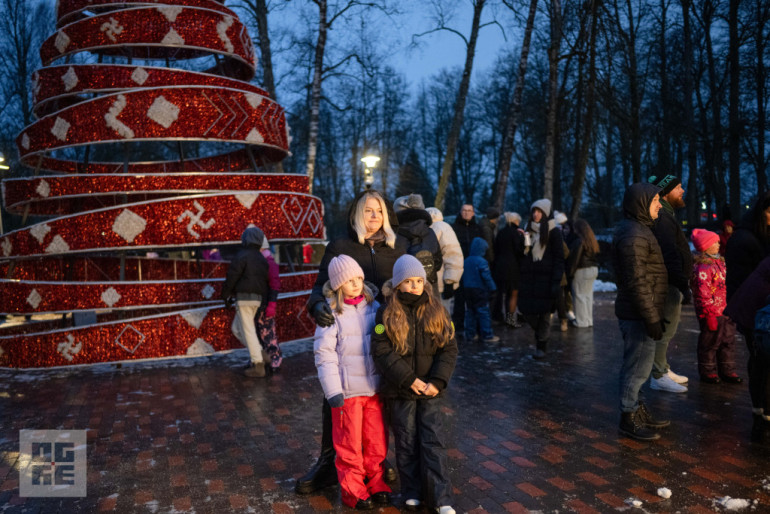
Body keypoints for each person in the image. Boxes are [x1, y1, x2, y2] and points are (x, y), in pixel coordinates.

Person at [297, 189, 406, 495]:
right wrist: (317, 305)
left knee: (381, 410)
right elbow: (320, 287)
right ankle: (330, 463)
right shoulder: (341, 246)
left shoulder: (398, 249)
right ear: (357, 214)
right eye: (368, 210)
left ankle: (380, 465)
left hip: (388, 342)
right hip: (346, 346)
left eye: (379, 211)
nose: (374, 216)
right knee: (338, 405)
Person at [372, 255, 458, 514]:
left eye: (419, 281)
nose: (414, 286)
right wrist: (408, 379)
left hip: (431, 392)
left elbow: (449, 348)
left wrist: (437, 381)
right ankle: (412, 491)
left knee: (433, 441)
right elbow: (381, 350)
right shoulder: (386, 312)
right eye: (408, 281)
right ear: (398, 284)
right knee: (407, 442)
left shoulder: (437, 310)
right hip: (401, 391)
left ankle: (440, 497)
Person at [313, 255, 391, 510]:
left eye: (359, 278)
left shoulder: (373, 306)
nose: (356, 284)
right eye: (349, 280)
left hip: (374, 390)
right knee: (348, 444)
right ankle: (352, 489)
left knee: (376, 440)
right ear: (338, 285)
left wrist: (383, 328)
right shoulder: (331, 314)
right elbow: (325, 354)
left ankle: (376, 481)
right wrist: (333, 390)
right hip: (347, 393)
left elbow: (379, 334)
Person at [613, 183, 670, 441]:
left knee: (642, 368)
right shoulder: (634, 234)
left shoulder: (639, 230)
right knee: (636, 368)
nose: (660, 204)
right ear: (641, 203)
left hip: (641, 313)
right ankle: (628, 417)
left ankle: (638, 411)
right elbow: (637, 281)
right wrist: (651, 317)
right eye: (656, 200)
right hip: (638, 315)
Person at [724, 191, 770, 442]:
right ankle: (760, 414)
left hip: (761, 308)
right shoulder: (744, 239)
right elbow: (741, 282)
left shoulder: (761, 235)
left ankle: (762, 413)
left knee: (764, 362)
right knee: (760, 361)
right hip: (753, 309)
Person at [647, 175, 692, 394]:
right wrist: (681, 283)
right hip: (668, 283)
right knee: (665, 329)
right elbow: (669, 253)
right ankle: (658, 374)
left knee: (668, 328)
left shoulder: (666, 214)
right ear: (666, 192)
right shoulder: (663, 217)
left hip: (670, 282)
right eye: (678, 187)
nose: (682, 190)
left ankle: (662, 367)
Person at [221, 226, 276, 378]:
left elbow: (232, 276)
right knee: (237, 329)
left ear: (245, 239)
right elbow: (264, 282)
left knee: (248, 330)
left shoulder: (241, 256)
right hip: (257, 300)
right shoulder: (262, 260)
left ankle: (258, 365)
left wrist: (225, 295)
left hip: (244, 298)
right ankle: (261, 354)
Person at [689, 229, 741, 384]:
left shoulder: (721, 262)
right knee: (710, 342)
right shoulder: (702, 268)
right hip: (711, 313)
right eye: (715, 242)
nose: (718, 244)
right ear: (706, 246)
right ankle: (708, 370)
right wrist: (708, 313)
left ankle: (727, 369)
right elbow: (701, 292)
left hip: (726, 309)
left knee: (728, 341)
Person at [518, 199, 565, 359]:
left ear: (545, 214)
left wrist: (556, 281)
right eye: (534, 211)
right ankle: (541, 334)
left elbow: (559, 258)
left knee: (545, 314)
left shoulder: (554, 232)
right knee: (526, 311)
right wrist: (523, 240)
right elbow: (524, 253)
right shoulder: (528, 229)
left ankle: (541, 345)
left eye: (539, 211)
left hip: (547, 279)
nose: (535, 214)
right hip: (529, 279)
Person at [393, 194, 443, 295]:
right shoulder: (430, 232)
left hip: (403, 291)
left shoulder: (392, 235)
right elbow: (438, 261)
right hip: (429, 287)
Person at [451, 204, 486, 332]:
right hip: (459, 266)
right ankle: (458, 328)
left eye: (469, 211)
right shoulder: (454, 228)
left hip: (474, 269)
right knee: (459, 300)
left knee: (474, 300)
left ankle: (475, 329)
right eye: (464, 210)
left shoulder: (478, 229)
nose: (466, 213)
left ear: (473, 213)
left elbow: (484, 247)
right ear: (460, 212)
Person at [425, 207, 464, 311]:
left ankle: (512, 321)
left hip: (440, 283)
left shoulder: (441, 227)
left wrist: (450, 281)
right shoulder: (430, 228)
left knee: (442, 316)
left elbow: (453, 254)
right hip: (435, 283)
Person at [463, 237, 500, 343]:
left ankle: (471, 334)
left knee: (470, 312)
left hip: (467, 289)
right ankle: (487, 335)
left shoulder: (467, 260)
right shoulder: (482, 261)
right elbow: (486, 277)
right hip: (479, 289)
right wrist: (493, 288)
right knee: (483, 312)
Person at [493, 212, 525, 328]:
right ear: (516, 221)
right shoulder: (516, 233)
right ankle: (511, 320)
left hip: (499, 268)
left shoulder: (501, 233)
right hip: (513, 269)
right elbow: (521, 251)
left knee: (501, 294)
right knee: (513, 294)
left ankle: (498, 317)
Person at [567, 219, 600, 328]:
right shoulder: (591, 240)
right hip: (593, 269)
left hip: (582, 270)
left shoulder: (579, 241)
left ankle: (581, 322)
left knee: (579, 296)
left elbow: (574, 260)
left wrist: (570, 273)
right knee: (587, 296)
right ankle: (588, 320)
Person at [258, 237, 282, 371]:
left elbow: (274, 284)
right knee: (264, 332)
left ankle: (275, 358)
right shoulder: (266, 260)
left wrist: (272, 304)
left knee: (268, 333)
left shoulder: (268, 262)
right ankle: (270, 357)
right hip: (264, 302)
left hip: (266, 302)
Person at [553, 211, 573, 331]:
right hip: (558, 271)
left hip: (552, 272)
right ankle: (563, 319)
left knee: (558, 297)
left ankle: (559, 317)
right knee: (560, 296)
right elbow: (566, 253)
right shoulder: (559, 239)